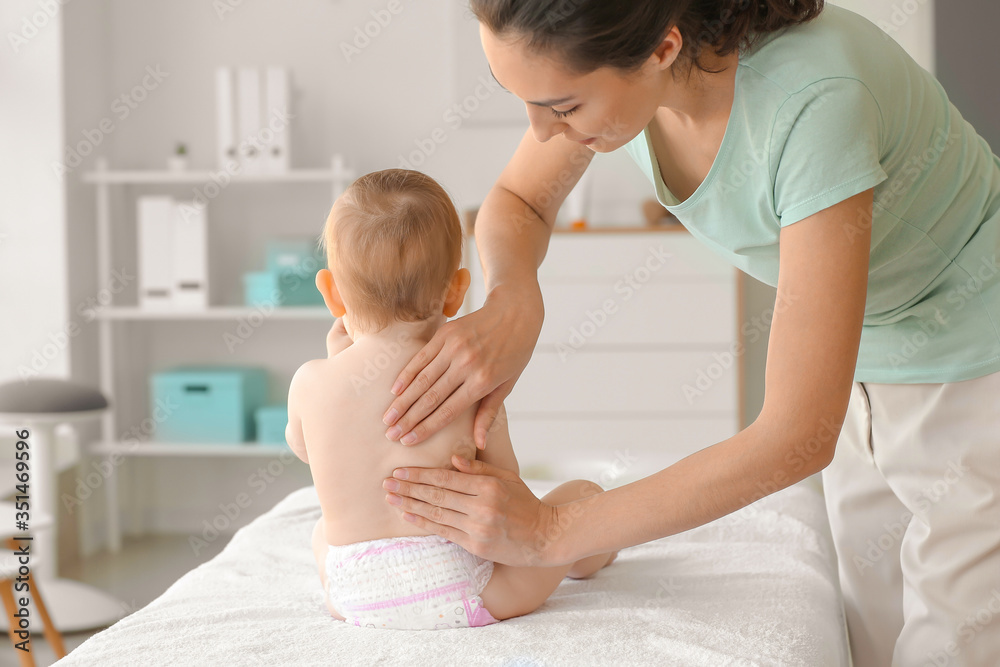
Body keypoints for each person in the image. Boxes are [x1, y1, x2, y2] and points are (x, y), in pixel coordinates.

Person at [377, 1, 1000, 664]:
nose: (541, 129)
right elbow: (520, 201)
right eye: (524, 100)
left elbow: (796, 435)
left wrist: (552, 529)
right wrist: (514, 295)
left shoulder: (814, 102)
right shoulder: (636, 72)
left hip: (973, 362)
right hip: (860, 364)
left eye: (562, 107)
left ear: (663, 49)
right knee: (871, 637)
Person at [285, 168, 615, 630]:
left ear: (332, 294)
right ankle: (586, 558)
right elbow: (506, 488)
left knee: (322, 533)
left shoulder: (308, 382)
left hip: (355, 594)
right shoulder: (469, 382)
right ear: (457, 290)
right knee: (581, 498)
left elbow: (305, 449)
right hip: (463, 589)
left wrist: (335, 365)